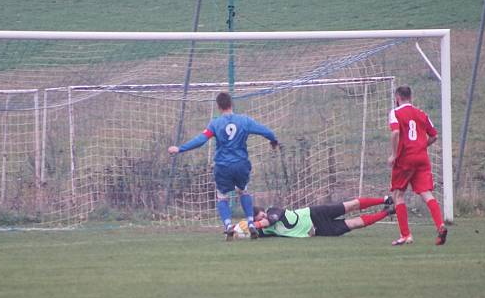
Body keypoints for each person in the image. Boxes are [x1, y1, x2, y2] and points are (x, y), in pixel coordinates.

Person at [168, 91, 279, 240]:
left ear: (218, 107)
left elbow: (201, 140)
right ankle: (251, 223)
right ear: (231, 104)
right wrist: (273, 141)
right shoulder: (244, 120)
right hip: (241, 164)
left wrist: (180, 148)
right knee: (243, 191)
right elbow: (266, 131)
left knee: (222, 197)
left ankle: (228, 226)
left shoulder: (215, 123)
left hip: (223, 166)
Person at [386, 85, 448, 246]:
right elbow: (434, 136)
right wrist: (422, 146)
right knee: (426, 193)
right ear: (411, 97)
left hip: (405, 159)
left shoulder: (395, 112)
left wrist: (393, 154)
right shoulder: (422, 114)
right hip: (422, 158)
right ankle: (440, 225)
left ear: (397, 98)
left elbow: (395, 132)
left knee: (398, 195)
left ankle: (406, 235)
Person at [250, 195, 394, 238]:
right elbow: (253, 235)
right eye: (259, 219)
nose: (262, 219)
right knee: (355, 224)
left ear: (263, 211)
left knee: (351, 205)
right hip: (318, 230)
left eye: (261, 216)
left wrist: (254, 225)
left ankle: (385, 199)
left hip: (314, 213)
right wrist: (238, 230)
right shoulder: (267, 231)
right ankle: (387, 212)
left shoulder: (272, 211)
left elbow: (271, 220)